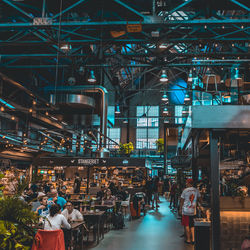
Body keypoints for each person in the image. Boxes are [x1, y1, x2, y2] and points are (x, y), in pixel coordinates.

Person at [179, 179, 202, 245]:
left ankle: (188, 240)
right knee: (192, 225)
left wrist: (180, 209)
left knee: (186, 225)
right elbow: (200, 199)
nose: (186, 183)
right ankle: (193, 239)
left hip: (186, 210)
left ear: (188, 183)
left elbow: (182, 201)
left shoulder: (185, 190)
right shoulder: (196, 190)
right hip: (193, 210)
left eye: (186, 182)